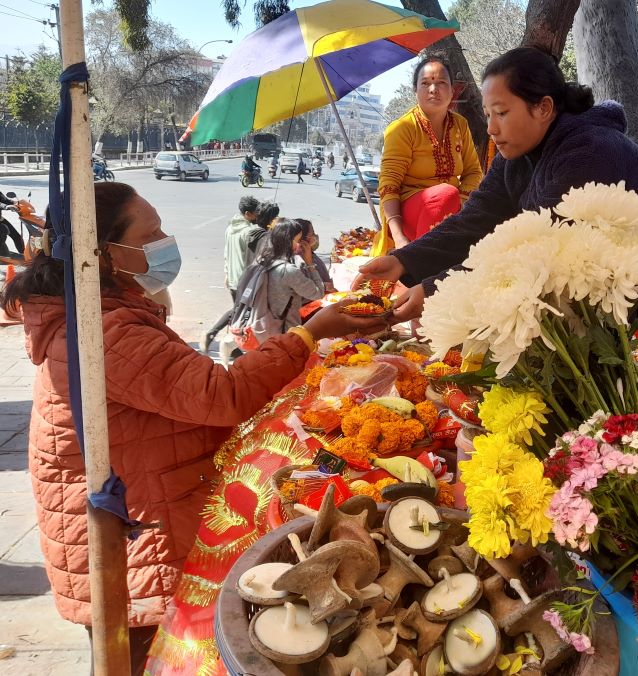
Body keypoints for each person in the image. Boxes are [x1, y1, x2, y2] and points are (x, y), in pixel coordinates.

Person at [0, 182, 386, 675]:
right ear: (105, 252)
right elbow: (217, 394)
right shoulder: (104, 330)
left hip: (147, 504)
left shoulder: (108, 310)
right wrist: (309, 335)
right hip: (134, 537)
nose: (165, 240)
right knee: (150, 660)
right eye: (152, 232)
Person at [358, 47, 638, 332]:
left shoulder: (591, 150)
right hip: (586, 279)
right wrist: (403, 260)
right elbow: (475, 220)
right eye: (487, 115)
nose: (491, 128)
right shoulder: (515, 153)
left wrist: (435, 289)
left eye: (502, 113)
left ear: (544, 107)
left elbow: (539, 250)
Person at [372, 54, 484, 255]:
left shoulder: (460, 124)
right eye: (425, 83)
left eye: (441, 82)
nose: (433, 89)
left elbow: (474, 172)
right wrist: (399, 239)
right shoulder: (403, 128)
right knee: (445, 194)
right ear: (415, 90)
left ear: (452, 90)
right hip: (409, 214)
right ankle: (420, 264)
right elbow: (389, 186)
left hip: (451, 207)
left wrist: (461, 202)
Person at [200, 196, 261, 354]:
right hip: (244, 279)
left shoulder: (230, 228)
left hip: (234, 277)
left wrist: (227, 273)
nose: (258, 217)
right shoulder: (249, 232)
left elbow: (226, 253)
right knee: (239, 313)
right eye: (256, 213)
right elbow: (252, 259)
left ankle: (231, 347)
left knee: (238, 312)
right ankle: (213, 334)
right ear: (248, 214)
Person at [260, 218, 326, 331]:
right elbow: (318, 293)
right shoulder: (288, 271)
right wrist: (310, 264)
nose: (300, 244)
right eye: (298, 240)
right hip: (284, 332)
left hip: (261, 327)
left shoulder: (260, 261)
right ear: (287, 241)